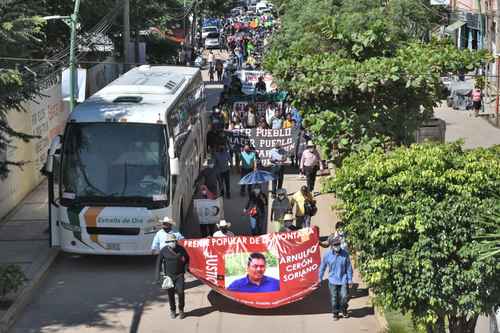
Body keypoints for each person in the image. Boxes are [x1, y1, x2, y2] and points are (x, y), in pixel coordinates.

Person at [319, 236, 353, 321]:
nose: (337, 246)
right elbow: (322, 267)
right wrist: (320, 277)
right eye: (335, 245)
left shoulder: (345, 254)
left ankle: (344, 309)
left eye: (338, 244)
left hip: (343, 279)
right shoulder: (327, 255)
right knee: (334, 298)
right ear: (331, 246)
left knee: (344, 297)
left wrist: (350, 280)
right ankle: (335, 313)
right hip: (332, 280)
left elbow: (349, 268)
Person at [156, 233, 190, 319]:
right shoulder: (164, 250)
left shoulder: (181, 249)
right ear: (167, 242)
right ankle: (173, 310)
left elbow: (187, 258)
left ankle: (181, 309)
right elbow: (158, 263)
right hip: (169, 276)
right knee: (170, 294)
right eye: (170, 241)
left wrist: (186, 267)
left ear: (176, 241)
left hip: (180, 275)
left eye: (173, 241)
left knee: (181, 292)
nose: (172, 242)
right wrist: (158, 277)